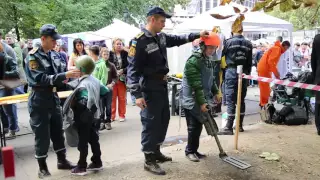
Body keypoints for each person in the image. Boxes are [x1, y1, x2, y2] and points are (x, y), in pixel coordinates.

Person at [127, 6, 209, 175]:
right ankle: (149, 160)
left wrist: (197, 35)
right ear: (152, 20)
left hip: (162, 86)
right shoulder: (139, 41)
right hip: (149, 88)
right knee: (151, 123)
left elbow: (178, 39)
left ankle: (156, 151)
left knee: (163, 120)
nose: (164, 24)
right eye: (162, 21)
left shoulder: (161, 37)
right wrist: (136, 95)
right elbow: (132, 70)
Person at [24, 24, 80, 178]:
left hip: (53, 97)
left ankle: (62, 161)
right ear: (43, 39)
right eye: (52, 40)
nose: (56, 42)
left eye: (56, 40)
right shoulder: (33, 57)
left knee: (57, 130)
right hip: (39, 98)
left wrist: (70, 77)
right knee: (42, 134)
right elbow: (40, 79)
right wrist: (64, 75)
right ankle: (42, 168)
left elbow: (60, 74)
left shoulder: (53, 54)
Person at [66, 55, 108, 175]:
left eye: (77, 67)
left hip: (83, 116)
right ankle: (97, 161)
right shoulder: (94, 80)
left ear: (81, 70)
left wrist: (75, 104)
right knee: (94, 139)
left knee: (83, 141)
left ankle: (81, 165)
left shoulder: (83, 84)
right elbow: (105, 91)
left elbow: (83, 100)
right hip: (95, 115)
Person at [182, 33, 220, 162]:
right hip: (192, 100)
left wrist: (216, 92)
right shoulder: (193, 61)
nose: (212, 50)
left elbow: (211, 78)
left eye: (214, 48)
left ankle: (194, 150)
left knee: (198, 126)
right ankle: (189, 151)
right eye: (210, 47)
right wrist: (203, 103)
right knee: (193, 127)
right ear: (203, 46)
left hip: (202, 98)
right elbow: (196, 86)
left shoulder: (207, 59)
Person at [217, 17, 253, 135]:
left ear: (232, 30)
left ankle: (228, 127)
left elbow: (220, 56)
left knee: (231, 99)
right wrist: (247, 75)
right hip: (244, 74)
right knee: (241, 100)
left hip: (231, 72)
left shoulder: (228, 42)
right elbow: (250, 62)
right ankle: (240, 125)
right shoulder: (249, 43)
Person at [257, 40, 291, 107]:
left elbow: (271, 62)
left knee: (265, 86)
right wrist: (276, 73)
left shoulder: (276, 48)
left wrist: (275, 72)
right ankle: (264, 103)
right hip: (264, 68)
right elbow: (271, 62)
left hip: (265, 68)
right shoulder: (277, 49)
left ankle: (263, 102)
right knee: (264, 87)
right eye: (286, 49)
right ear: (285, 46)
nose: (286, 51)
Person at [88, 45, 109, 130]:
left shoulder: (102, 64)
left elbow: (104, 78)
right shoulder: (90, 63)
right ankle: (94, 124)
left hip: (98, 89)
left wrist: (99, 87)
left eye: (89, 52)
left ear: (92, 53)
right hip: (90, 89)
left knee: (99, 107)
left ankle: (100, 123)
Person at [109, 38, 128, 122]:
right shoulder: (109, 54)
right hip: (112, 78)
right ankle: (112, 115)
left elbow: (130, 65)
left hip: (122, 78)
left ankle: (122, 115)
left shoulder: (125, 53)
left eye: (120, 44)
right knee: (112, 98)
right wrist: (114, 71)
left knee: (122, 98)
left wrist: (123, 70)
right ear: (113, 45)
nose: (119, 45)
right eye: (117, 44)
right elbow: (106, 64)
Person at [100, 47, 117, 130]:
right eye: (104, 54)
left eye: (107, 54)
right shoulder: (98, 65)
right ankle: (102, 121)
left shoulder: (111, 65)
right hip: (100, 89)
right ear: (101, 55)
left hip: (109, 89)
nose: (106, 56)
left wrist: (112, 83)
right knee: (101, 106)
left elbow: (115, 77)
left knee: (108, 106)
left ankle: (108, 121)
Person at [311, 34, 320, 136]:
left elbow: (313, 59)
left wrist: (314, 76)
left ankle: (319, 127)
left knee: (319, 102)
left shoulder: (317, 38)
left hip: (319, 74)